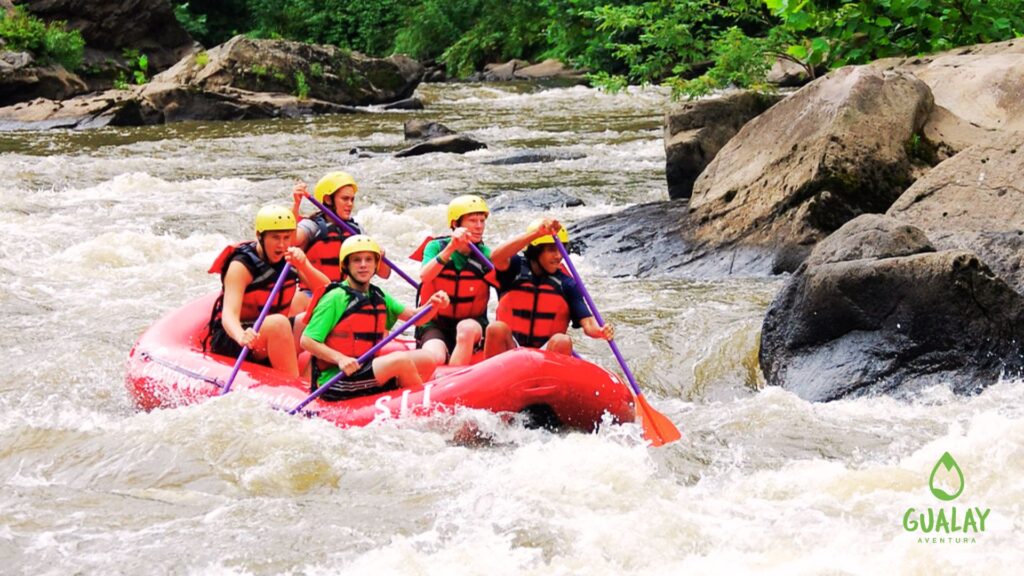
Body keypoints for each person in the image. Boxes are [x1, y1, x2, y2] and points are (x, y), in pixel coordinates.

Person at [301, 235, 450, 400]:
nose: (363, 265)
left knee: (427, 359)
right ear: (346, 265)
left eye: (369, 260)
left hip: (365, 371)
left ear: (376, 264)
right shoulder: (335, 297)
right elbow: (307, 340)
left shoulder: (377, 294)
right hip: (338, 379)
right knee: (400, 360)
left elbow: (416, 318)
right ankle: (421, 404)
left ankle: (402, 399)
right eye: (357, 260)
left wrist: (433, 304)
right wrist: (341, 359)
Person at [205, 205, 330, 377]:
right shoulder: (241, 266)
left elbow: (331, 294)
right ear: (260, 236)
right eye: (275, 238)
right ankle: (293, 391)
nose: (282, 244)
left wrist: (305, 266)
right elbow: (229, 316)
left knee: (326, 316)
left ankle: (310, 380)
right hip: (236, 340)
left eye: (287, 238)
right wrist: (241, 335)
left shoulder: (291, 258)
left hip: (272, 335)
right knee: (279, 323)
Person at [484, 218, 613, 358]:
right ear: (536, 251)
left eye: (562, 250)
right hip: (511, 350)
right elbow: (496, 257)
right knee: (496, 329)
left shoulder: (567, 284)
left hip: (545, 355)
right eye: (551, 250)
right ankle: (491, 377)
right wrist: (535, 234)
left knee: (562, 340)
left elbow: (588, 323)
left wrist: (600, 331)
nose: (558, 256)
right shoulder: (514, 269)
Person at [290, 171, 391, 310]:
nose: (350, 204)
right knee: (298, 299)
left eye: (352, 199)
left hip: (348, 296)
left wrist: (380, 255)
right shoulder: (312, 226)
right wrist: (296, 204)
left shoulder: (356, 231)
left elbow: (385, 274)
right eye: (345, 199)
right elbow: (291, 240)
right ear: (328, 200)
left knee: (379, 306)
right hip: (313, 295)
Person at [416, 194, 498, 366]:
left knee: (466, 330)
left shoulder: (486, 256)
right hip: (436, 324)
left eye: (482, 221)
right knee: (434, 357)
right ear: (455, 224)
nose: (479, 226)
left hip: (472, 325)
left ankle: (453, 381)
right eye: (472, 220)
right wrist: (451, 247)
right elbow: (425, 276)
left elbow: (505, 290)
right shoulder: (436, 247)